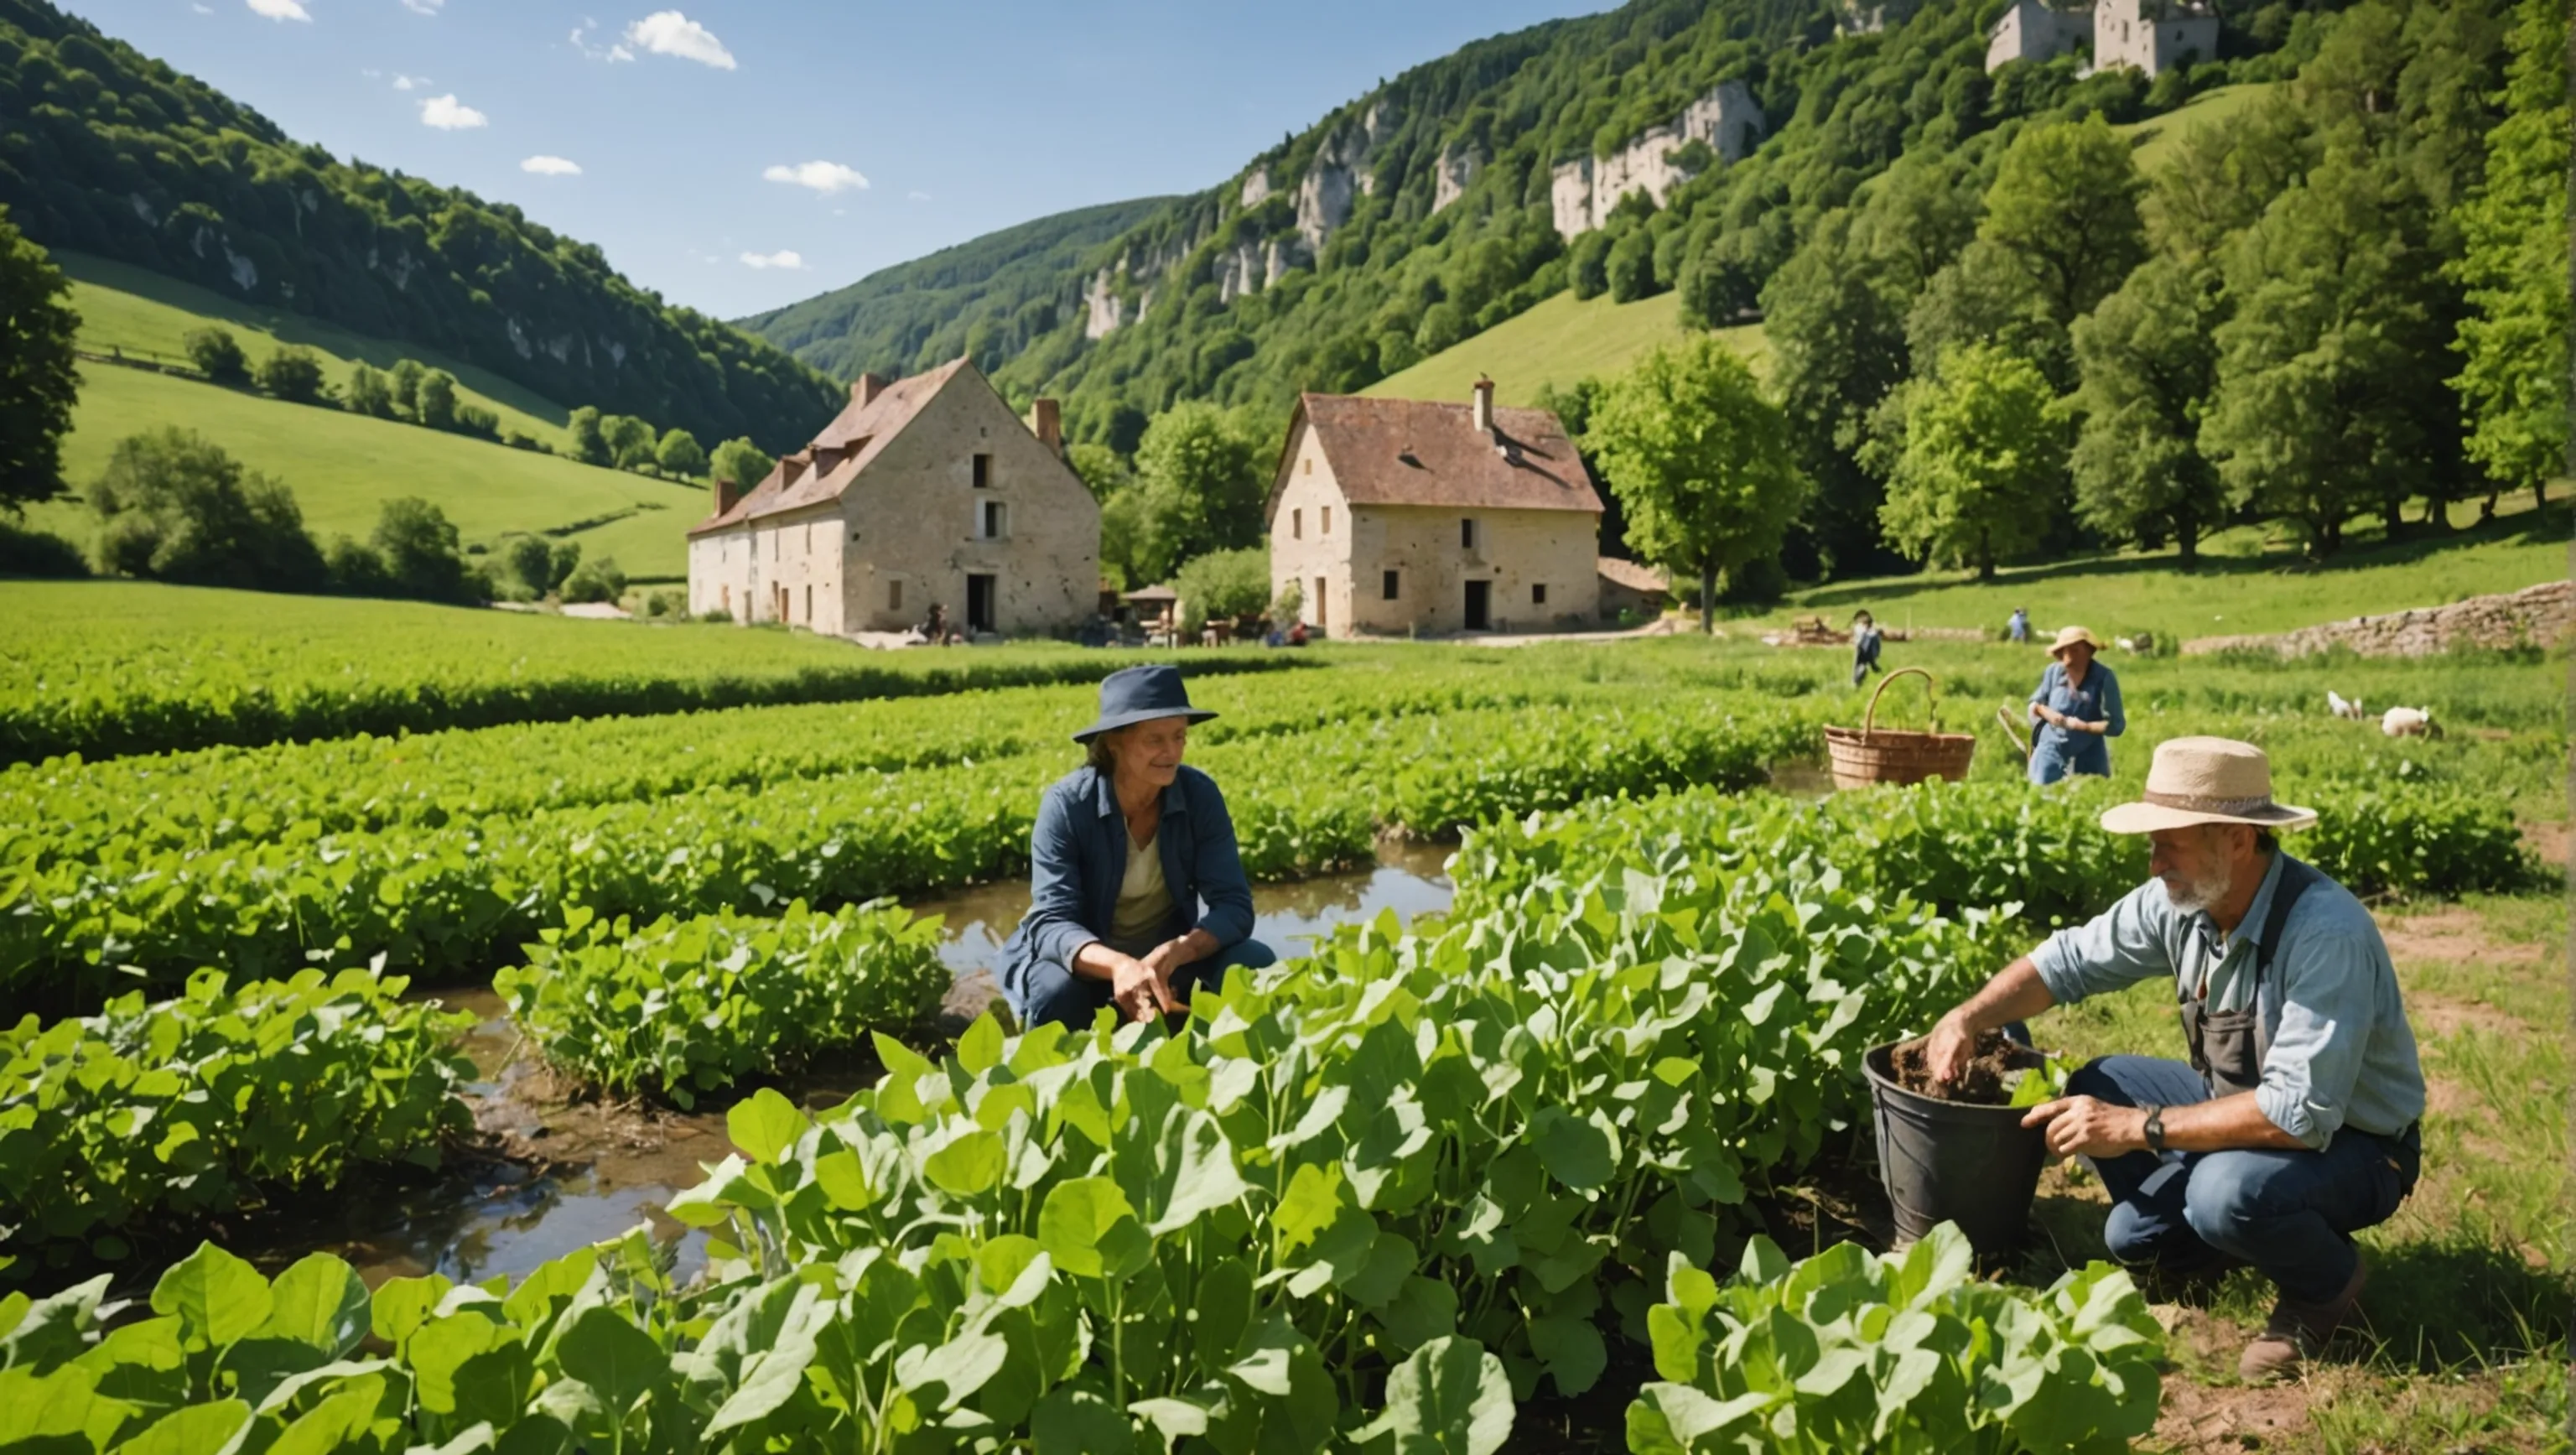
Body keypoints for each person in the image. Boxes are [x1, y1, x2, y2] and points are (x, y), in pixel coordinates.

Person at [1924, 738, 2423, 1383]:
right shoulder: (2184, 901)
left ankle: (2326, 1288)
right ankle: (2228, 1240)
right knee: (2132, 1226)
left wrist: (2137, 1128)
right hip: (2244, 1102)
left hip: (2355, 1143)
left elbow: (2300, 1114)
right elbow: (2065, 962)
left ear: (2237, 840)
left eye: (2170, 843)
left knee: (2224, 1194)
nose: (2155, 862)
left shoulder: (2324, 933)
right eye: (2153, 843)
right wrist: (1968, 1016)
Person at [1000, 664, 1275, 1028]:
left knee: (1254, 963)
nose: (1171, 752)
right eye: (1155, 740)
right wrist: (1119, 966)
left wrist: (1180, 950)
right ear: (1114, 742)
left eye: (1179, 737)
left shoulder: (1199, 796)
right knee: (1055, 993)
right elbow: (1052, 923)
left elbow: (1234, 906)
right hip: (1090, 963)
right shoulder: (1067, 806)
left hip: (1165, 958)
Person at [2027, 626, 2124, 783]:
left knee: (2089, 795)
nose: (2069, 656)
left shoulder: (2104, 678)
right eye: (2066, 650)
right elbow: (2035, 704)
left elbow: (2116, 725)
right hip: (2052, 748)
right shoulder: (2054, 673)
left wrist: (2084, 727)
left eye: (2076, 650)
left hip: (2089, 753)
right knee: (2042, 793)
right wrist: (2045, 712)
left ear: (2089, 651)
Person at [1850, 610, 1883, 687]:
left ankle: (1856, 683)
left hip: (1866, 653)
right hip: (1862, 652)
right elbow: (1858, 639)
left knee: (1861, 669)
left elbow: (1873, 645)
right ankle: (1856, 682)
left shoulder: (1872, 634)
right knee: (1858, 669)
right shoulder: (1860, 629)